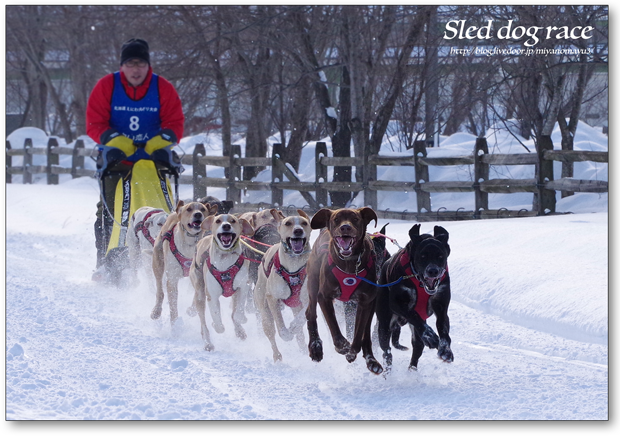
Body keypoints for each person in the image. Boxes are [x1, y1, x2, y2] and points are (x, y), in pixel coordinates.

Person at [86, 38, 184, 282]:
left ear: (148, 65)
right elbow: (94, 123)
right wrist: (116, 140)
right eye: (131, 63)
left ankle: (171, 257)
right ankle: (105, 263)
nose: (136, 69)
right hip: (117, 160)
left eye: (141, 63)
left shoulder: (162, 87)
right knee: (108, 210)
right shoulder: (107, 86)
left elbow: (175, 124)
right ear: (122, 66)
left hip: (153, 161)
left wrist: (158, 143)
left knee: (165, 211)